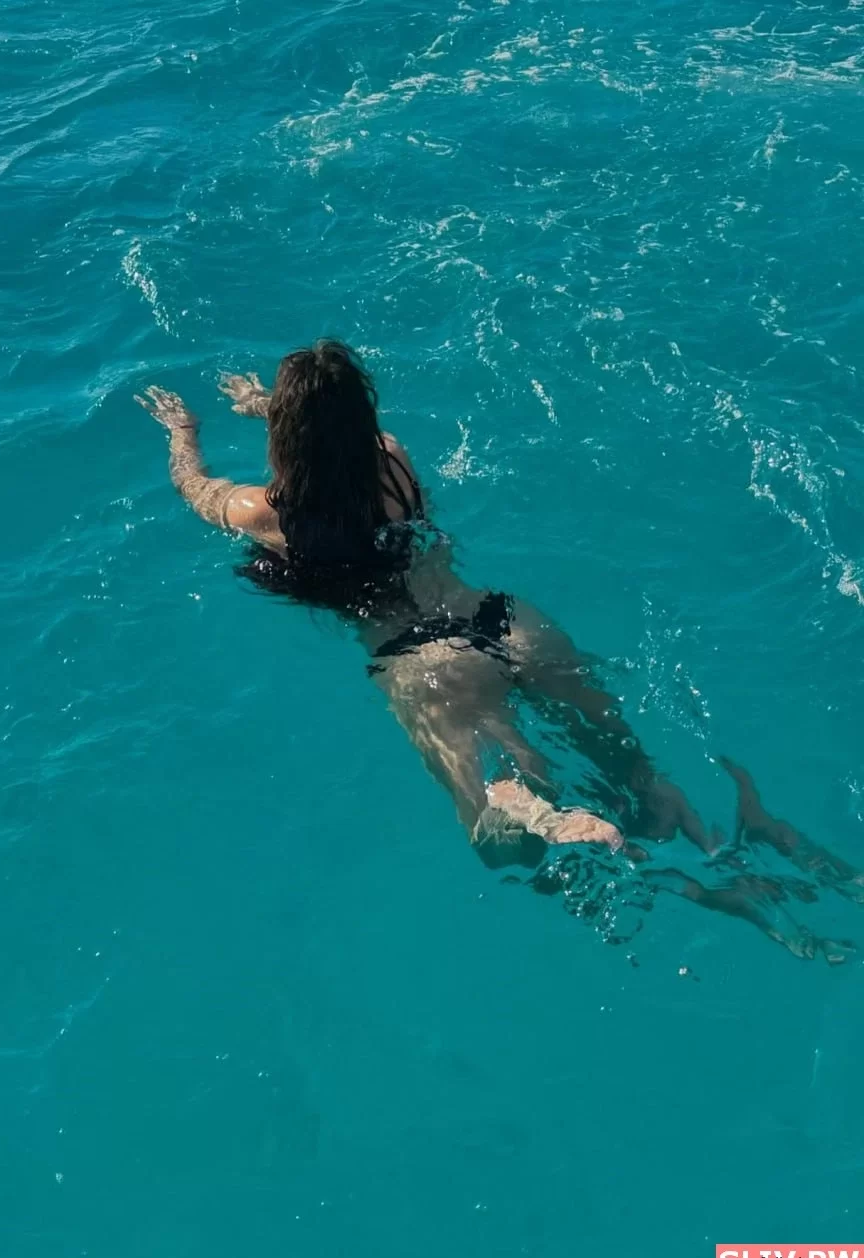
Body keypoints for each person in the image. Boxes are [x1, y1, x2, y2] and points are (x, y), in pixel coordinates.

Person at [135, 340, 860, 961]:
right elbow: (339, 436)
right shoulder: (392, 458)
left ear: (287, 434)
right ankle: (717, 838)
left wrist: (183, 431)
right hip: (504, 620)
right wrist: (267, 404)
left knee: (487, 832)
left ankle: (526, 807)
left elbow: (194, 486)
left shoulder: (261, 512)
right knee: (639, 771)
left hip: (425, 660)